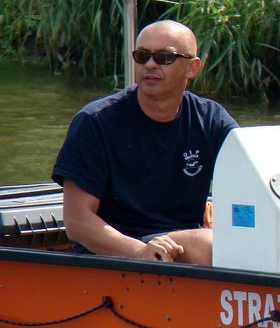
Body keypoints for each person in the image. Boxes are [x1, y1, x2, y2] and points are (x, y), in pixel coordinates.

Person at [52, 20, 237, 265]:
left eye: (164, 57)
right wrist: (140, 251)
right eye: (142, 56)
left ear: (192, 68)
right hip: (114, 254)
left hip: (184, 241)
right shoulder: (95, 122)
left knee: (241, 242)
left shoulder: (212, 119)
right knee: (209, 245)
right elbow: (77, 222)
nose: (150, 64)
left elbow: (253, 180)